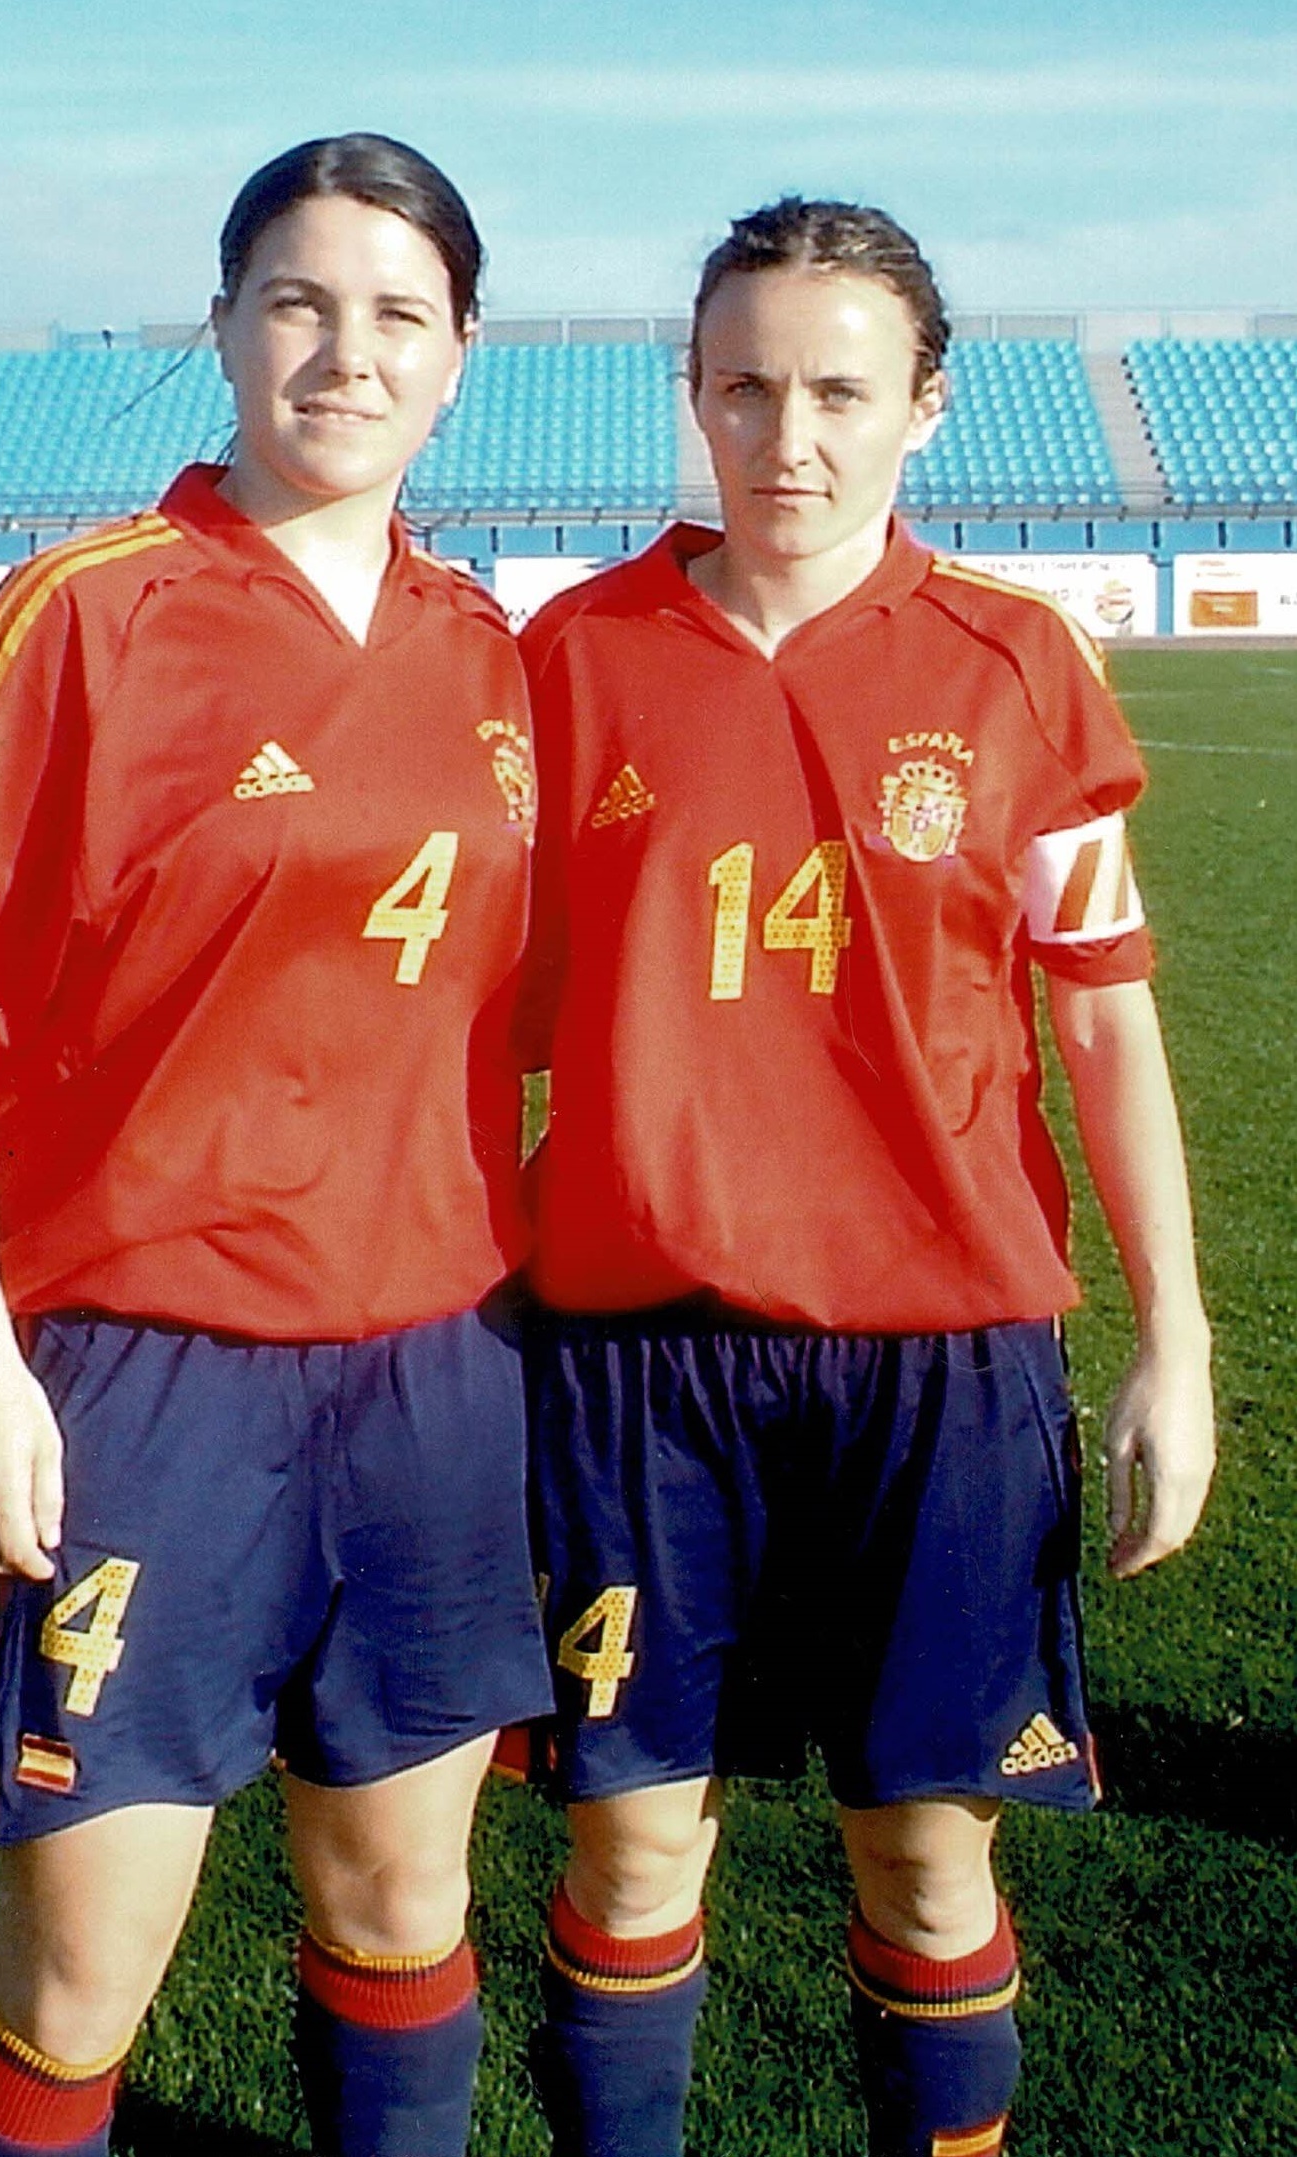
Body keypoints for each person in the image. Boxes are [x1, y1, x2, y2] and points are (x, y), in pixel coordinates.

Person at [0, 132, 552, 2157]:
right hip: (144, 1376)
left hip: (442, 1377)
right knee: (76, 1975)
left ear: (460, 352)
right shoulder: (78, 617)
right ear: (223, 323)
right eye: (296, 299)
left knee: (402, 1903)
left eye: (398, 312)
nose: (343, 350)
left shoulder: (489, 653)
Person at [514, 196, 1215, 2157]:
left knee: (921, 1859)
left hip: (944, 1365)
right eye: (742, 385)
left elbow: (1100, 1017)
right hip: (637, 1368)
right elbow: (487, 1031)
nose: (784, 435)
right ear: (692, 395)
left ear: (924, 407)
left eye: (836, 388)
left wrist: (1172, 1338)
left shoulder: (1014, 665)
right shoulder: (570, 662)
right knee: (636, 1848)